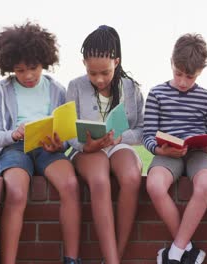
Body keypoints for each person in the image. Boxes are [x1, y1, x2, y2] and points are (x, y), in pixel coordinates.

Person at [0, 22, 81, 264]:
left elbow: (67, 137)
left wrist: (59, 146)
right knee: (17, 193)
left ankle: (72, 259)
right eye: (19, 70)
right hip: (15, 149)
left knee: (71, 185)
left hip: (47, 148)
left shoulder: (57, 90)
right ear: (9, 67)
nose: (28, 76)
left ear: (44, 61)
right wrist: (14, 135)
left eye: (33, 68)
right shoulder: (2, 90)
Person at [66, 25, 143, 264]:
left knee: (131, 176)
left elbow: (142, 131)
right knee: (99, 180)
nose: (98, 79)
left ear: (116, 62)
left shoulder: (131, 88)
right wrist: (85, 146)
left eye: (105, 73)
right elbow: (68, 132)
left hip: (118, 144)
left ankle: (115, 255)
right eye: (92, 73)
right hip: (87, 150)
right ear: (84, 65)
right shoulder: (75, 86)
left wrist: (120, 138)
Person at [143, 33, 207, 264]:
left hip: (199, 154)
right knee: (154, 186)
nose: (183, 82)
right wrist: (160, 151)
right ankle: (188, 248)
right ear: (171, 63)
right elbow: (147, 136)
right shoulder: (157, 94)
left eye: (190, 76)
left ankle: (175, 253)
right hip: (167, 153)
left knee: (206, 184)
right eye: (178, 74)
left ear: (200, 72)